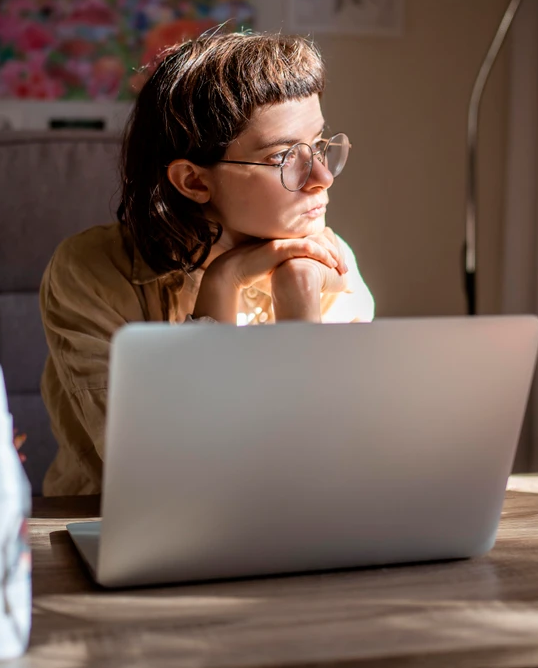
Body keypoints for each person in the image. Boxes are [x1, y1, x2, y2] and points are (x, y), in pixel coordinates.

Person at [38, 32, 375, 496]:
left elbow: (321, 468)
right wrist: (221, 288)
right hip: (112, 526)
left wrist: (298, 292)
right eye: (282, 157)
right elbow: (165, 476)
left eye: (318, 145)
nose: (320, 178)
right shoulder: (91, 273)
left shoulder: (322, 259)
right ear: (194, 181)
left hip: (285, 530)